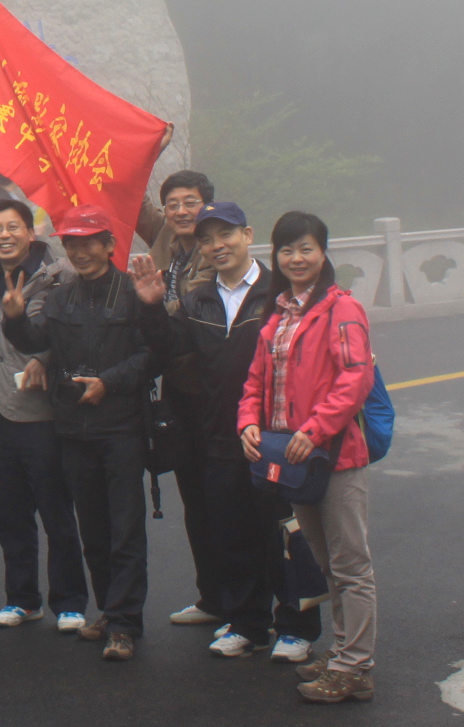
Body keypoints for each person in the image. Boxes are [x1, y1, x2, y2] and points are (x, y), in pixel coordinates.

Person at [137, 202, 320, 661]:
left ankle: (295, 627)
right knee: (232, 535)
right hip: (219, 434)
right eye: (206, 239)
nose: (217, 246)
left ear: (247, 235)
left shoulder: (280, 292)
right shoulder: (198, 299)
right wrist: (154, 310)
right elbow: (172, 350)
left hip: (276, 438)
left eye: (226, 235)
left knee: (283, 533)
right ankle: (246, 623)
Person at [2, 204, 166, 662]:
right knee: (92, 529)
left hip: (121, 429)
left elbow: (154, 355)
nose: (80, 251)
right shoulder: (60, 296)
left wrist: (108, 382)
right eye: (71, 243)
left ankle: (126, 624)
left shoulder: (132, 294)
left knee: (125, 530)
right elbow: (39, 343)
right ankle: (110, 611)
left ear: (110, 246)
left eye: (89, 242)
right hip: (73, 430)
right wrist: (14, 319)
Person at [239, 211, 377, 704]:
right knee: (324, 562)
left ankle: (354, 663)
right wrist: (247, 423)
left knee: (350, 565)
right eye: (287, 250)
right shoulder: (277, 314)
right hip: (294, 461)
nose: (296, 258)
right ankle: (345, 656)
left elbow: (354, 377)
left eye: (307, 249)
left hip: (335, 457)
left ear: (324, 253)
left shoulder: (342, 309)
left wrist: (315, 430)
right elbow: (255, 380)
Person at [0, 197, 88, 632]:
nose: (4, 235)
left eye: (13, 227)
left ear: (30, 232)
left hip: (41, 411)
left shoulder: (61, 277)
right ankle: (22, 598)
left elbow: (77, 335)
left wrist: (47, 358)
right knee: (10, 513)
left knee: (55, 510)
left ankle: (71, 600)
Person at [135, 168, 223, 627]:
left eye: (190, 202)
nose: (181, 212)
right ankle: (213, 597)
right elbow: (134, 204)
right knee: (194, 498)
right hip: (180, 391)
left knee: (224, 498)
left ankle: (244, 602)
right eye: (173, 205)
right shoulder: (170, 238)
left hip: (216, 393)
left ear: (207, 205)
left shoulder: (215, 249)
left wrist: (139, 310)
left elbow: (188, 308)